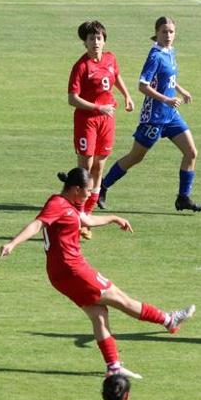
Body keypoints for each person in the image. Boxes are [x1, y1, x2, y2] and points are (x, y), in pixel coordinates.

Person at [0, 167, 195, 378]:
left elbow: (87, 220)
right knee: (121, 299)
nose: (90, 195)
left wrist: (113, 218)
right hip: (73, 270)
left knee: (99, 315)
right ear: (76, 189)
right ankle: (168, 320)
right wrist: (13, 243)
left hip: (60, 274)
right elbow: (37, 224)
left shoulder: (69, 205)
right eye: (88, 191)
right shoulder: (57, 204)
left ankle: (113, 367)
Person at [99, 16, 201, 212]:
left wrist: (180, 90)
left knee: (191, 152)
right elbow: (142, 86)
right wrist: (166, 99)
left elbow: (168, 78)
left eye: (171, 31)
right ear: (156, 33)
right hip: (154, 118)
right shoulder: (155, 55)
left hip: (171, 115)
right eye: (164, 31)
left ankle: (183, 197)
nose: (168, 35)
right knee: (135, 157)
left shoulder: (170, 51)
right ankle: (103, 186)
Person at [68, 20, 134, 239]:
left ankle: (87, 215)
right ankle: (77, 215)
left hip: (107, 120)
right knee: (85, 168)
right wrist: (98, 106)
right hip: (87, 121)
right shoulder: (81, 66)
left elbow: (115, 76)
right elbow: (72, 98)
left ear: (104, 40)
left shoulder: (110, 58)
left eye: (99, 38)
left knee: (99, 167)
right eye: (91, 39)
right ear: (84, 43)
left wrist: (127, 95)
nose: (95, 42)